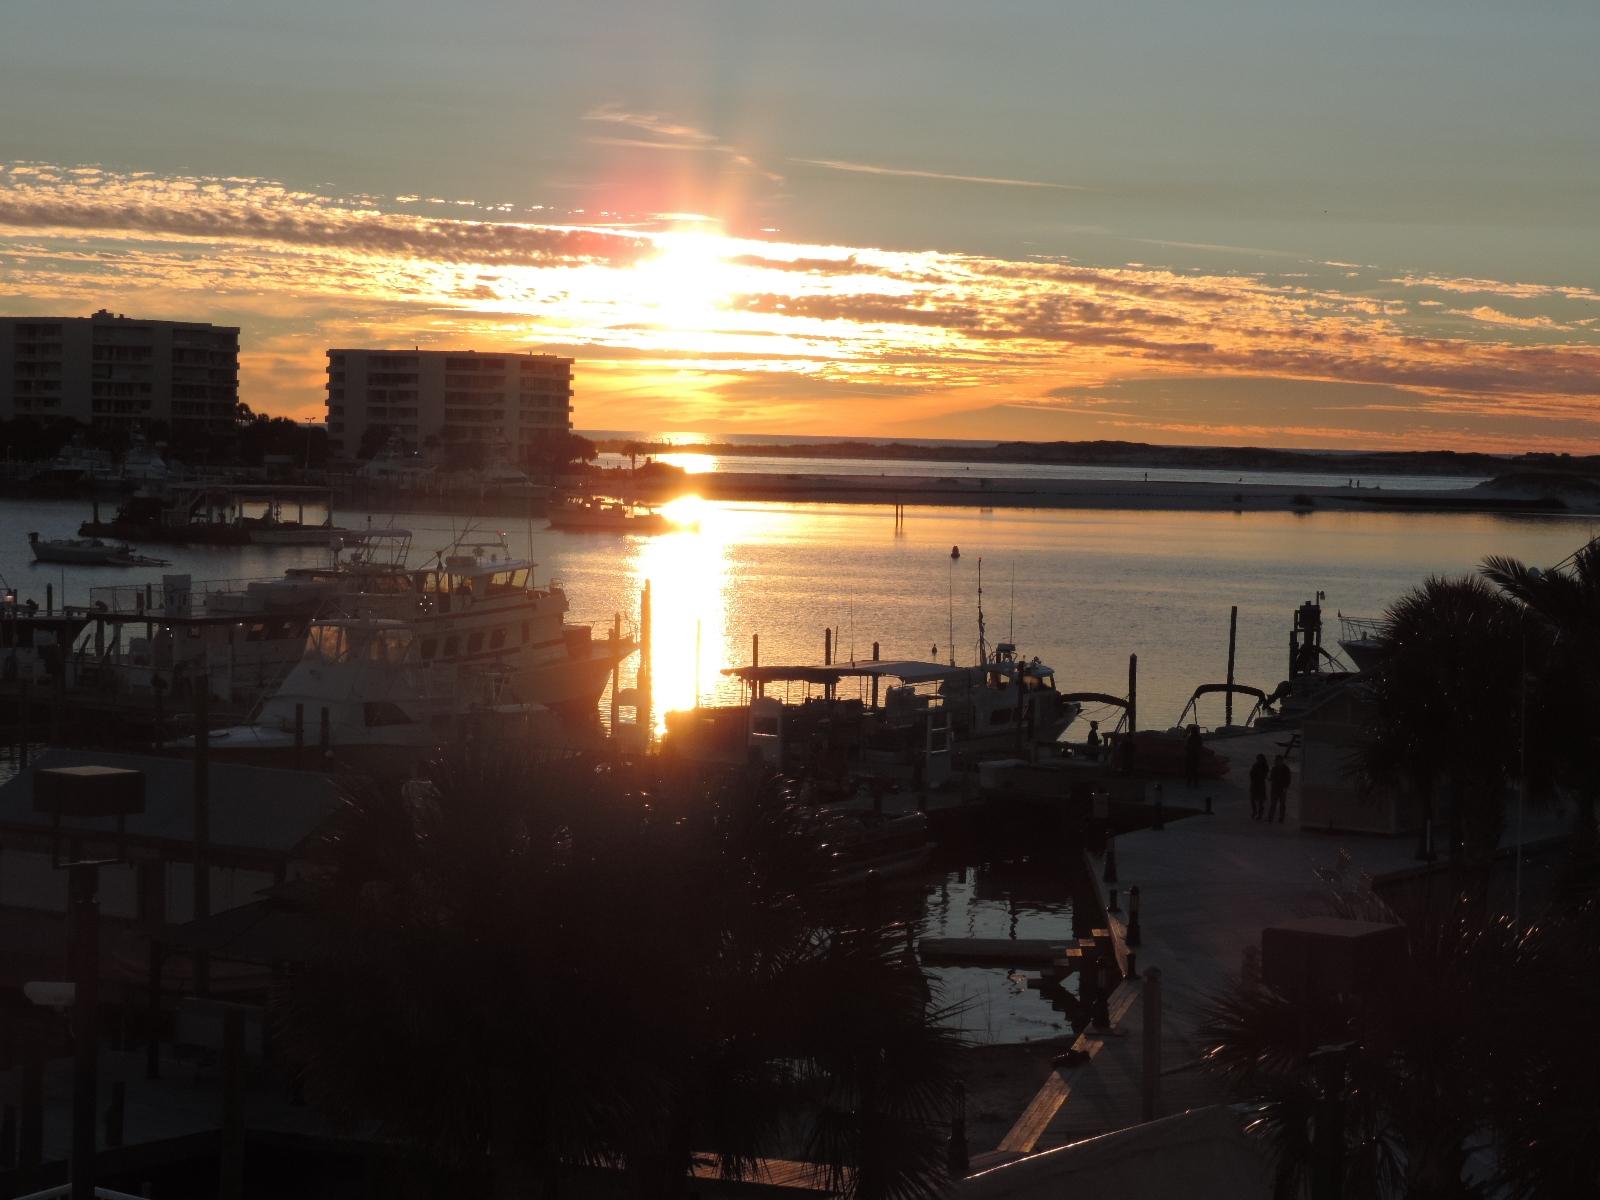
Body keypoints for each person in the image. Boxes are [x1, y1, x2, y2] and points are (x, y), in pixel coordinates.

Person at [1269, 754, 1292, 823]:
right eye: (1276, 760)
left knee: (1281, 805)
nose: (1277, 762)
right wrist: (1270, 779)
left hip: (1282, 789)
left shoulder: (1286, 769)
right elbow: (1272, 777)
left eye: (1278, 760)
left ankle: (1281, 818)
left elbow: (1288, 779)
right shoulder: (1274, 768)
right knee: (1273, 804)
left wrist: (1285, 787)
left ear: (1281, 761)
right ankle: (1271, 817)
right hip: (1275, 789)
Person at [1249, 753, 1269, 820]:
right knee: (1253, 799)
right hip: (1255, 784)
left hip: (1260, 785)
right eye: (1258, 759)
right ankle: (1255, 812)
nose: (1258, 760)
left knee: (1260, 800)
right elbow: (1251, 773)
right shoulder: (1255, 765)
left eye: (1259, 759)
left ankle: (1260, 814)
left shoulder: (1264, 766)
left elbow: (1264, 775)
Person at [1183, 724, 1203, 789]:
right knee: (1194, 770)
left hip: (1191, 756)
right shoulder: (1198, 738)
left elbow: (1186, 746)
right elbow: (1200, 746)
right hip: (1194, 756)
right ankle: (1194, 783)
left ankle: (1191, 782)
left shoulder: (1190, 738)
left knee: (1191, 770)